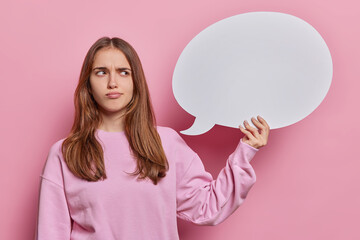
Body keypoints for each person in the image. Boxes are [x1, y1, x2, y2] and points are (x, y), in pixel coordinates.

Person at [35, 36, 270, 240]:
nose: (112, 83)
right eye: (101, 72)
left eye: (123, 72)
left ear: (136, 81)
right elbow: (50, 233)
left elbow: (208, 207)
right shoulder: (65, 153)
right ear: (88, 83)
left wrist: (246, 151)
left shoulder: (166, 143)